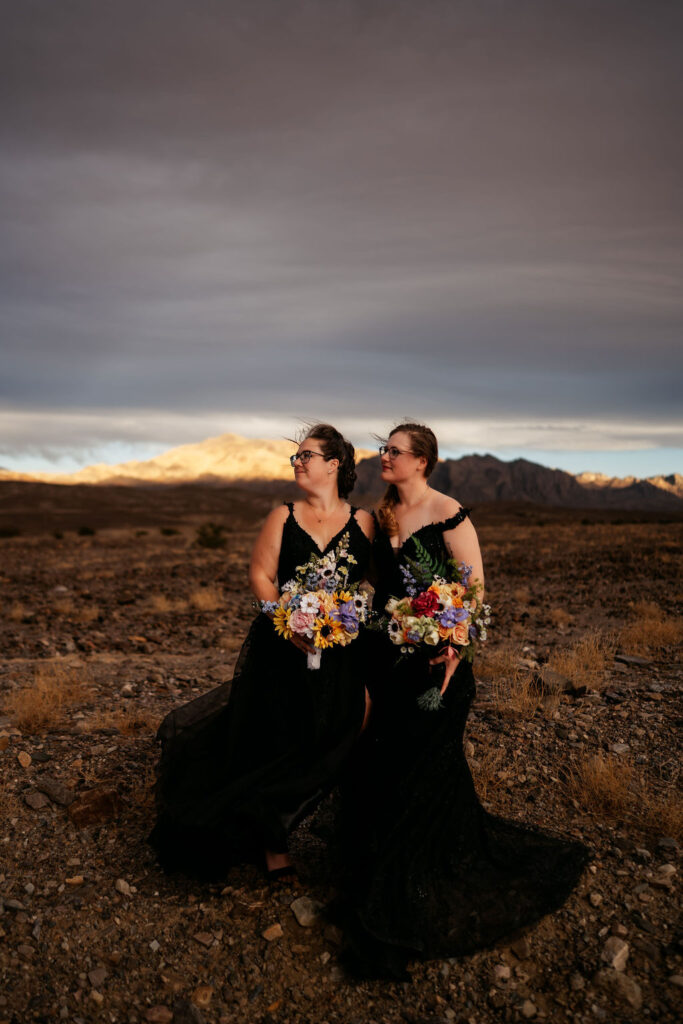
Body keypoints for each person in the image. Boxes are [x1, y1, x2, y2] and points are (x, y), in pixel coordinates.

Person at [337, 422, 589, 979]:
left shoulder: (450, 512)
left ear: (422, 461)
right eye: (383, 449)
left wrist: (453, 646)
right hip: (383, 656)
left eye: (394, 451)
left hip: (436, 665)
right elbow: (365, 582)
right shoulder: (377, 516)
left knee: (425, 765)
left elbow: (473, 591)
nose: (384, 457)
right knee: (379, 762)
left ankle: (415, 885)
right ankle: (377, 870)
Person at [149, 424, 374, 881]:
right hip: (281, 648)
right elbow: (260, 576)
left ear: (334, 464)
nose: (298, 463)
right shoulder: (282, 516)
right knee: (276, 739)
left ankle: (342, 834)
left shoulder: (365, 521)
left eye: (307, 456)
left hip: (345, 650)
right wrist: (288, 621)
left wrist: (352, 610)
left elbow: (374, 580)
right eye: (295, 458)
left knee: (341, 733)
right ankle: (274, 847)